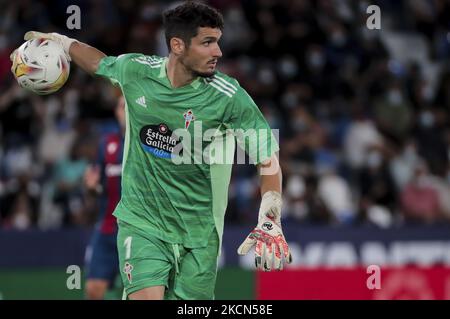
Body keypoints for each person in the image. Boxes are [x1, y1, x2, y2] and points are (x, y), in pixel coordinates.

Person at [12, 1, 292, 300]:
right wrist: (65, 42)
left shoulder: (230, 97)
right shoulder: (138, 72)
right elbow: (99, 63)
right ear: (177, 45)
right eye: (207, 42)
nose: (218, 52)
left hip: (199, 234)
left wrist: (270, 215)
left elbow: (267, 157)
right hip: (142, 222)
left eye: (217, 42)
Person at [83, 96, 125, 299]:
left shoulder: (149, 142)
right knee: (94, 290)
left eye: (128, 104)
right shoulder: (107, 144)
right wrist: (92, 188)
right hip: (108, 228)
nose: (124, 109)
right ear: (116, 113)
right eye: (120, 106)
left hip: (142, 229)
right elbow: (98, 187)